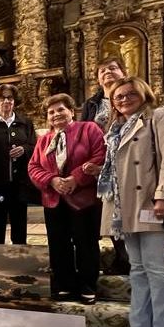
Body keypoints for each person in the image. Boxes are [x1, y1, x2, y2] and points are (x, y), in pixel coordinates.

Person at [97, 76, 164, 327]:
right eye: (118, 97)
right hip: (126, 207)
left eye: (129, 94)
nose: (123, 99)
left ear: (143, 93)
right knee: (137, 269)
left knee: (157, 267)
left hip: (150, 202)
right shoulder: (118, 126)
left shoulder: (160, 116)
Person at [28, 94, 106, 304]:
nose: (56, 114)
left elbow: (100, 155)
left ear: (72, 111)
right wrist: (52, 180)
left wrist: (76, 178)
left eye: (61, 109)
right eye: (51, 112)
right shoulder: (44, 140)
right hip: (54, 199)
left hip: (83, 198)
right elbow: (33, 167)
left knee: (85, 243)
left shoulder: (88, 129)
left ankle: (88, 286)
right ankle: (64, 285)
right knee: (58, 244)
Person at [82, 55, 132, 275]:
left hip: (128, 160)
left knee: (126, 210)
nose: (107, 72)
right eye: (102, 71)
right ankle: (121, 255)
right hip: (100, 161)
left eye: (112, 68)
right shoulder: (92, 103)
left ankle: (133, 257)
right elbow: (83, 133)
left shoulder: (132, 96)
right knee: (109, 211)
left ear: (123, 71)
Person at [0, 84, 37, 245]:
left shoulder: (25, 123)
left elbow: (35, 147)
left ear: (14, 101)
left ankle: (19, 260)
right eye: (2, 98)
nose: (6, 101)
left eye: (10, 98)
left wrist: (24, 149)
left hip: (20, 183)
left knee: (19, 225)